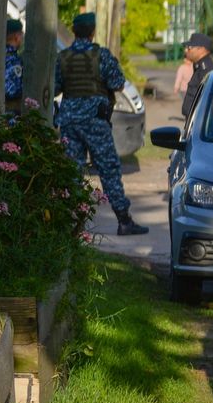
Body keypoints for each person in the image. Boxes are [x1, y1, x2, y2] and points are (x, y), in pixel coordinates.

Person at [56, 12, 148, 236]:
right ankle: (124, 221)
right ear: (93, 31)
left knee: (72, 171)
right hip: (95, 122)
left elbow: (56, 87)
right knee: (108, 169)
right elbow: (117, 83)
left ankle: (71, 223)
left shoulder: (63, 57)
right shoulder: (102, 56)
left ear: (75, 31)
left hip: (69, 122)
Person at [181, 32, 213, 120]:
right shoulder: (198, 66)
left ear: (201, 49)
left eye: (189, 48)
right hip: (192, 122)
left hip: (200, 122)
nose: (186, 50)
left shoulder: (207, 70)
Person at [2, 18, 25, 116]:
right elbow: (11, 90)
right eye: (21, 34)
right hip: (10, 113)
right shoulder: (13, 60)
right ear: (17, 36)